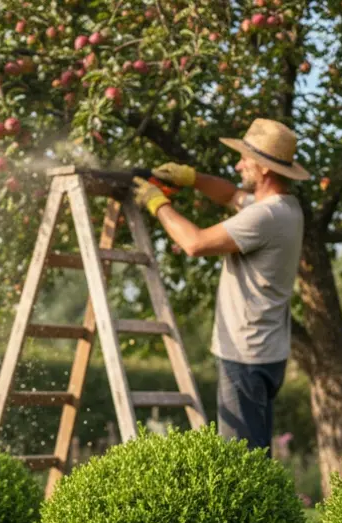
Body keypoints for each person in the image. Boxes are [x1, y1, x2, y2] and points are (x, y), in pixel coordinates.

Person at [132, 118, 310, 456]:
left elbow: (194, 243)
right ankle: (267, 508)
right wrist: (193, 179)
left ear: (264, 169)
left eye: (245, 159)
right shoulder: (285, 209)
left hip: (244, 354)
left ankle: (254, 510)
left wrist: (158, 203)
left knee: (242, 462)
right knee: (254, 453)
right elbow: (230, 194)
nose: (238, 164)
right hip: (267, 351)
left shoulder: (264, 218)